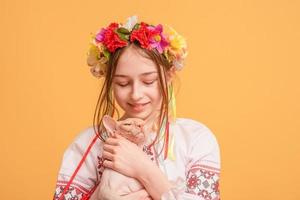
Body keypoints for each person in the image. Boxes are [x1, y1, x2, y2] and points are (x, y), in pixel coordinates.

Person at [53, 16, 221, 200]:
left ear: (169, 75)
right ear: (110, 82)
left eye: (148, 81)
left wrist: (143, 168)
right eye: (123, 83)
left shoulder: (195, 138)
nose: (135, 94)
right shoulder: (89, 143)